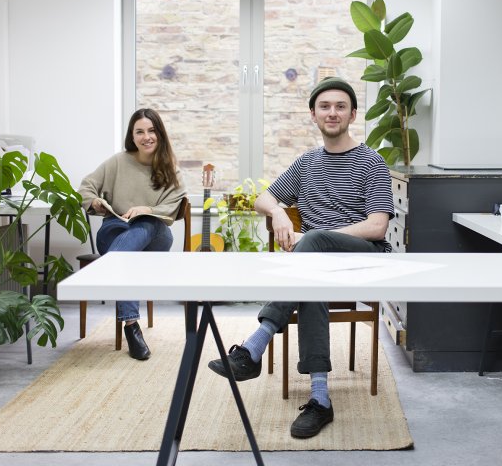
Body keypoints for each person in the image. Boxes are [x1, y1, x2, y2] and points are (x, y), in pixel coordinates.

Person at [207, 76, 394, 439]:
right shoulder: (306, 163)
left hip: (363, 260)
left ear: (353, 114)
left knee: (314, 245)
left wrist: (315, 238)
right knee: (310, 281)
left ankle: (254, 345)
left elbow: (376, 227)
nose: (332, 112)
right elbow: (263, 197)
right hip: (314, 266)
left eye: (341, 106)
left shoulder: (371, 162)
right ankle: (320, 399)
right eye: (325, 106)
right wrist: (278, 212)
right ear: (313, 115)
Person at [78, 108, 186, 360]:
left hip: (155, 236)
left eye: (151, 130)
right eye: (139, 131)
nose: (146, 137)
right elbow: (86, 187)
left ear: (160, 134)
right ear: (132, 135)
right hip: (115, 231)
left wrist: (146, 209)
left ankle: (110, 268)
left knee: (147, 223)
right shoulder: (118, 161)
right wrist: (94, 202)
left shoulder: (173, 171)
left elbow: (172, 208)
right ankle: (131, 325)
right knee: (127, 259)